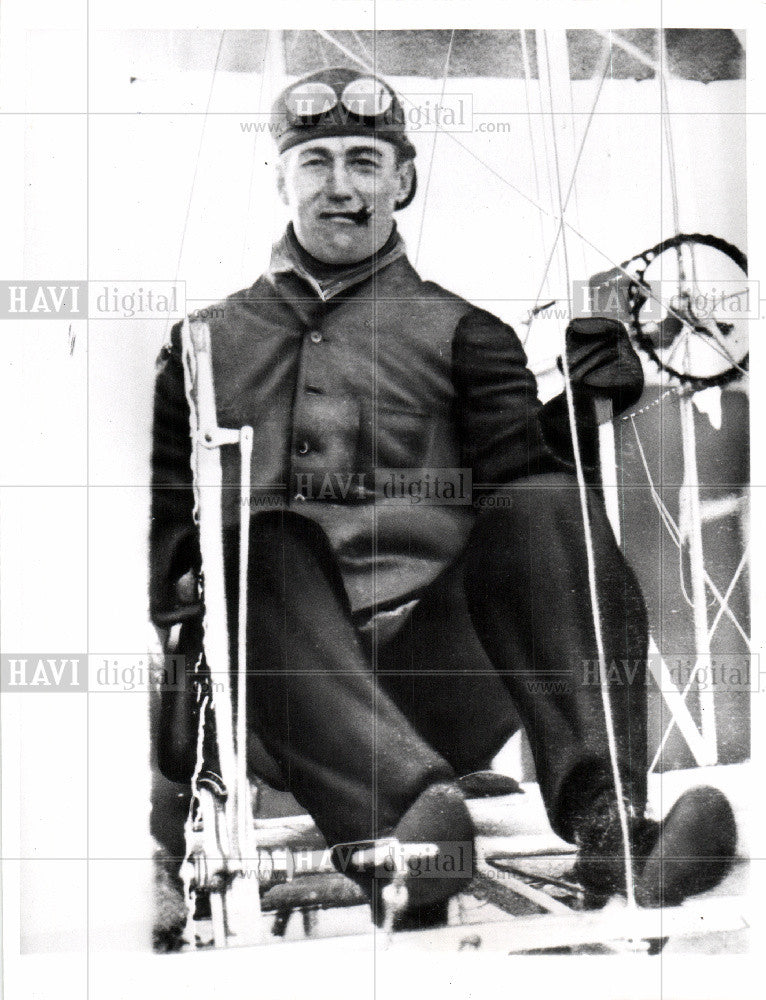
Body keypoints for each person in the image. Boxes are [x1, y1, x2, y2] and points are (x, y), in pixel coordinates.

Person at [150, 66, 736, 927]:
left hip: (437, 687)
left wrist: (578, 410)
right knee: (262, 542)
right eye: (315, 161)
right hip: (281, 695)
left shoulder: (468, 333)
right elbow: (168, 546)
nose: (341, 186)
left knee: (546, 503)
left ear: (403, 180)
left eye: (365, 160)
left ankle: (611, 822)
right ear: (280, 179)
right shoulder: (200, 346)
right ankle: (404, 827)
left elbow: (525, 497)